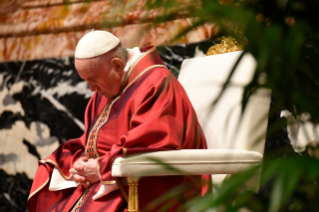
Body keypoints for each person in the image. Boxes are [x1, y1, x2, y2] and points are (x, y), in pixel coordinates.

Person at [27, 30, 208, 212]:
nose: (91, 89)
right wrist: (81, 163)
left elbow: (155, 147)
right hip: (106, 184)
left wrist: (101, 169)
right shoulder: (107, 88)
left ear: (117, 66)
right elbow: (92, 144)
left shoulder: (157, 85)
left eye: (93, 80)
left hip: (145, 189)